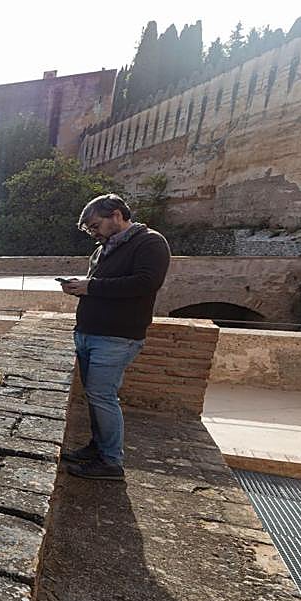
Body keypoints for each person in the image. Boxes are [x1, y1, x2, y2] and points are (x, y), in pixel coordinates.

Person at [60, 193, 171, 480]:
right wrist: (77, 287)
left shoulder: (150, 243)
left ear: (117, 215)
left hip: (116, 337)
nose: (93, 233)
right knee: (96, 397)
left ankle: (111, 462)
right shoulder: (103, 248)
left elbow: (146, 283)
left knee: (103, 396)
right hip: (90, 334)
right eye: (89, 229)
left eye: (96, 225)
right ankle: (98, 448)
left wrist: (91, 287)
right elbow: (100, 285)